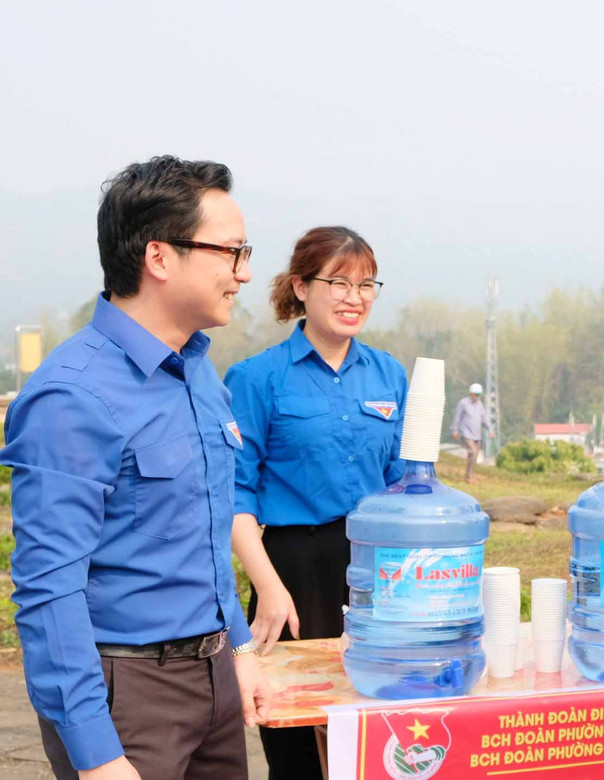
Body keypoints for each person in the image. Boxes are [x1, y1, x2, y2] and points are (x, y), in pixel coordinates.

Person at [0, 156, 267, 780]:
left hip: (214, 678)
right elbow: (48, 590)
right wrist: (96, 755)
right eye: (231, 252)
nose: (245, 273)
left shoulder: (196, 369)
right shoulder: (72, 396)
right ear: (160, 257)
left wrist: (241, 650)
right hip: (128, 696)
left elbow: (204, 535)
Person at [224, 227, 407, 780]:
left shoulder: (389, 374)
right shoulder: (257, 378)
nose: (355, 297)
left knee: (377, 731)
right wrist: (271, 590)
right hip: (291, 568)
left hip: (377, 571)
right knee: (299, 742)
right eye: (339, 282)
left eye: (366, 283)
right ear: (301, 287)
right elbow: (234, 495)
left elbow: (404, 487)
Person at [451, 382, 490, 483]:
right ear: (471, 393)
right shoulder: (463, 403)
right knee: (472, 451)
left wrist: (490, 428)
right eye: (475, 394)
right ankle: (468, 476)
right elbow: (457, 417)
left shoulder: (480, 405)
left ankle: (471, 475)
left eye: (478, 395)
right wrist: (455, 430)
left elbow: (484, 418)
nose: (477, 397)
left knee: (475, 455)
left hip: (477, 434)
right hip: (466, 434)